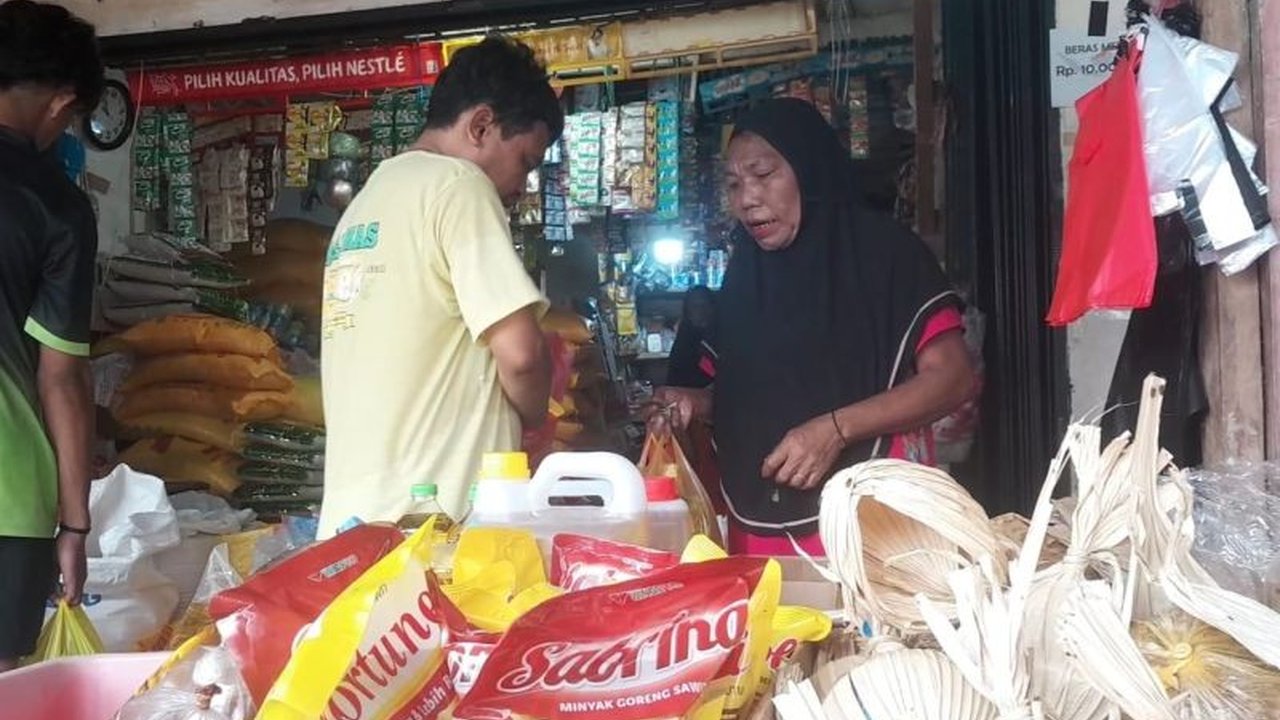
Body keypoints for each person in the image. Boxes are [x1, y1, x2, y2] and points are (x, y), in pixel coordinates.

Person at [655, 99, 974, 556]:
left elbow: (952, 377)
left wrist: (836, 430)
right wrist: (694, 404)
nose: (747, 198)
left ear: (808, 170)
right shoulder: (745, 275)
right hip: (759, 524)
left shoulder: (886, 255)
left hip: (867, 515)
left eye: (763, 175)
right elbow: (755, 397)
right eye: (734, 184)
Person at [318, 36, 562, 538]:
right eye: (525, 162)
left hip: (354, 528)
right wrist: (537, 410)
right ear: (481, 126)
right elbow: (521, 355)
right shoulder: (459, 186)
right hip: (437, 535)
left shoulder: (365, 205)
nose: (522, 187)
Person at [0, 0, 103, 670]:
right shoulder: (56, 205)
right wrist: (75, 523)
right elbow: (60, 376)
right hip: (10, 495)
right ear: (61, 101)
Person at [665, 286, 717, 389]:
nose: (701, 310)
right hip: (687, 393)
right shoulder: (685, 338)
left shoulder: (720, 334)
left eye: (704, 305)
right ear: (688, 310)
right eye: (695, 306)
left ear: (713, 307)